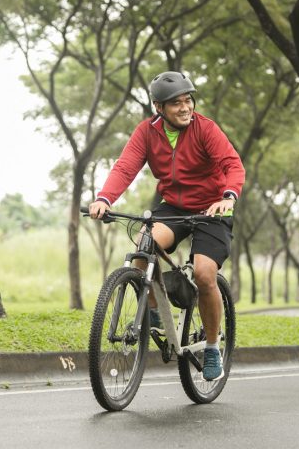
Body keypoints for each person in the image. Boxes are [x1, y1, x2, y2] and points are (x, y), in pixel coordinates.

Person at [88, 71, 245, 381]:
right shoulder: (147, 132)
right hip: (174, 206)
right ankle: (157, 312)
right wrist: (104, 198)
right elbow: (126, 166)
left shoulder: (205, 129)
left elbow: (232, 164)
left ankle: (212, 346)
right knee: (142, 250)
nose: (185, 108)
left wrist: (228, 196)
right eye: (176, 104)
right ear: (158, 107)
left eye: (188, 100)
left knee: (203, 274)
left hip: (212, 208)